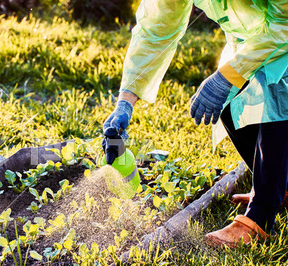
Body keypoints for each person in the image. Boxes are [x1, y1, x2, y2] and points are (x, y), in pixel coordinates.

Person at [103, 0, 288, 248]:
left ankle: (260, 218)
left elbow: (283, 22)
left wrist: (230, 74)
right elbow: (156, 29)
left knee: (277, 97)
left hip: (282, 33)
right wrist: (125, 101)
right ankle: (281, 187)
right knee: (229, 103)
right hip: (253, 42)